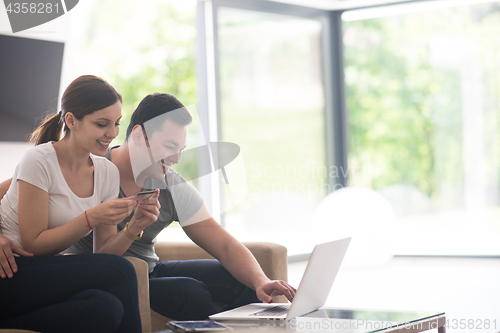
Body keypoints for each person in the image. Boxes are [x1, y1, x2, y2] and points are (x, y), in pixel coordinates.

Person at [1, 92, 296, 321]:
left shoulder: (172, 184)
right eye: (169, 146)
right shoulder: (90, 169)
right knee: (188, 291)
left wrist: (261, 281)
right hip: (104, 275)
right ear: (139, 135)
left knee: (241, 282)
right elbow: (16, 195)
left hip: (150, 270)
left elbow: (224, 245)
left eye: (181, 148)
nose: (177, 158)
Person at [0, 75, 158, 333]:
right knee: (121, 271)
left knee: (106, 307)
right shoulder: (38, 161)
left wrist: (133, 227)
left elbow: (103, 255)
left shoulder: (106, 172)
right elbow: (33, 244)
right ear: (72, 121)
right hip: (12, 270)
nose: (113, 133)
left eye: (117, 123)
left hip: (41, 277)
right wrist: (91, 218)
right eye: (102, 124)